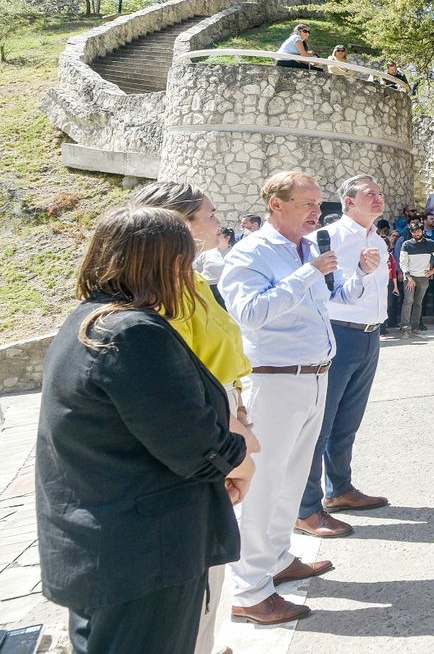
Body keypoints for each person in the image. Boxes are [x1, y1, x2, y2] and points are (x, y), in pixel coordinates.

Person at [37, 206, 252, 654]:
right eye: (184, 261)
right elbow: (192, 444)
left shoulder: (91, 319)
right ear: (168, 263)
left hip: (105, 544)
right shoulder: (134, 333)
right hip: (144, 555)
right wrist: (240, 460)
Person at [218, 171, 380, 625]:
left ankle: (275, 561)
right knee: (264, 484)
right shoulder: (251, 252)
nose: (316, 212)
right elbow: (250, 313)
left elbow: (327, 303)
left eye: (319, 203)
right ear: (275, 205)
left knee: (290, 479)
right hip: (274, 380)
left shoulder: (307, 248)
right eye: (307, 204)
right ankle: (249, 593)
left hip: (313, 376)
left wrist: (360, 276)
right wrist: (308, 272)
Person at [125, 184, 255, 654]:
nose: (219, 223)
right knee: (196, 569)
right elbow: (179, 377)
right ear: (177, 225)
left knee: (210, 564)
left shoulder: (192, 281)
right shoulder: (164, 294)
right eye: (209, 215)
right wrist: (231, 440)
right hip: (204, 426)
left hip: (221, 410)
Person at [296, 175, 392, 542]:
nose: (378, 198)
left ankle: (340, 488)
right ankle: (306, 506)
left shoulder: (378, 238)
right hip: (339, 332)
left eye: (379, 192)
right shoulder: (329, 237)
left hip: (370, 334)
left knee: (348, 421)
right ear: (349, 201)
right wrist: (360, 273)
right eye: (371, 193)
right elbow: (322, 291)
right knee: (320, 424)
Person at [398, 221, 434, 335]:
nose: (416, 234)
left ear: (422, 231)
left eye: (418, 231)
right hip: (410, 277)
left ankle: (415, 326)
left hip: (424, 277)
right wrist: (408, 277)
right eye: (414, 232)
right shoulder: (406, 244)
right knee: (408, 301)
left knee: (418, 302)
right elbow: (403, 262)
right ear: (411, 232)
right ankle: (404, 326)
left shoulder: (430, 244)